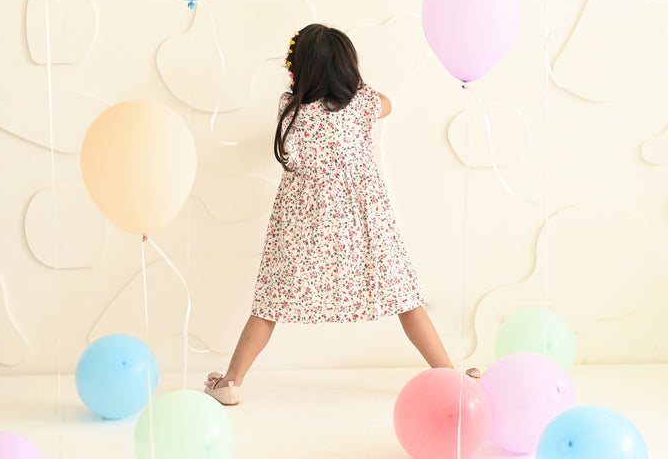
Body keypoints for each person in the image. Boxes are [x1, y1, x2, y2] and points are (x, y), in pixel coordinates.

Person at [204, 24, 478, 405]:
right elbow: (388, 103)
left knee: (269, 302)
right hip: (363, 218)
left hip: (305, 220)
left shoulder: (291, 106)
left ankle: (231, 382)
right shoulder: (365, 101)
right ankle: (448, 376)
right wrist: (355, 86)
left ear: (299, 68)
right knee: (405, 298)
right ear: (347, 67)